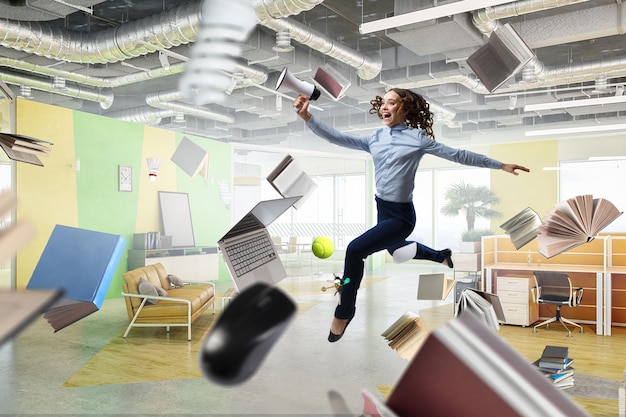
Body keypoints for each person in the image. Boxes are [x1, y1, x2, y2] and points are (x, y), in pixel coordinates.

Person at [293, 88, 530, 343]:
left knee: (354, 250)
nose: (385, 107)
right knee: (396, 251)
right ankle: (441, 256)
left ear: (404, 109)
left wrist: (500, 165)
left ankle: (344, 311)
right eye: (383, 102)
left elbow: (458, 155)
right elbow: (337, 138)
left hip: (401, 217)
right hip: (382, 210)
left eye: (392, 103)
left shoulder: (417, 139)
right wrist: (308, 117)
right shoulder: (375, 138)